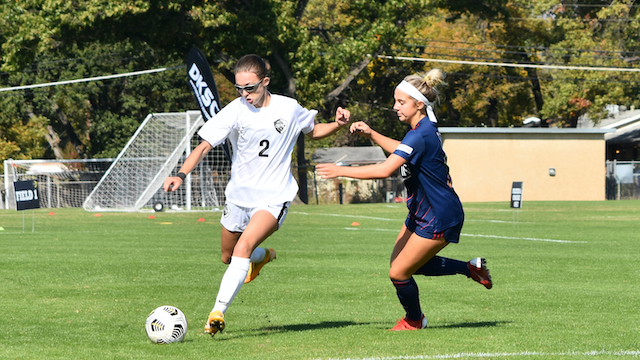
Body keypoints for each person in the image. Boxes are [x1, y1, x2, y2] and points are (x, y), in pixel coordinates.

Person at [163, 54, 351, 336]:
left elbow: (312, 131)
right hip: (238, 197)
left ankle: (217, 313)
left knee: (242, 248)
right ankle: (261, 257)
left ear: (265, 82)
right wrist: (180, 174)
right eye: (239, 89)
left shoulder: (289, 108)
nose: (244, 94)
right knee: (228, 256)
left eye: (250, 88)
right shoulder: (235, 110)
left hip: (274, 197)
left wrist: (337, 124)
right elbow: (203, 146)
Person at [316, 69, 491, 331]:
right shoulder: (421, 130)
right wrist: (373, 134)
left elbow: (385, 169)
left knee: (399, 273)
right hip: (422, 211)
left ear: (419, 104)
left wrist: (340, 170)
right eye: (395, 101)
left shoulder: (419, 133)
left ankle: (414, 320)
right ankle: (470, 269)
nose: (395, 107)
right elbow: (404, 148)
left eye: (401, 102)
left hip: (439, 215)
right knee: (402, 266)